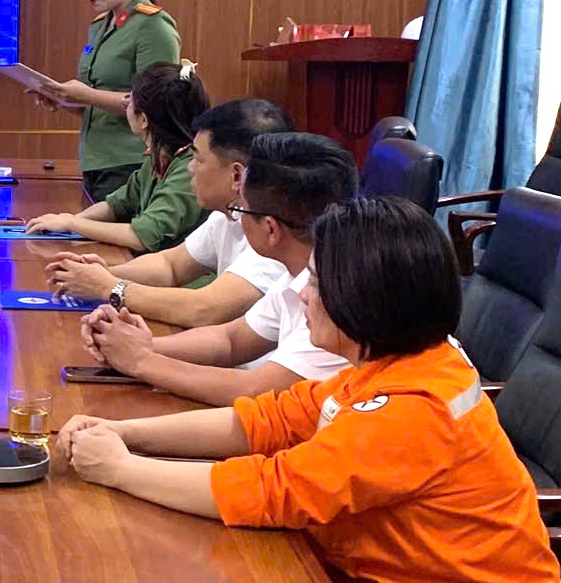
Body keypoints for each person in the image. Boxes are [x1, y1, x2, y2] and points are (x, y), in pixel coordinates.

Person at [53, 197, 561, 583]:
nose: (302, 294)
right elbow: (264, 421)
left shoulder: (413, 409)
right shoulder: (392, 369)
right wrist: (125, 433)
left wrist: (121, 470)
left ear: (363, 299)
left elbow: (273, 490)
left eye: (318, 283)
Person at [80, 132, 357, 404]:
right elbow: (230, 340)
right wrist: (138, 344)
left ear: (271, 229)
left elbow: (255, 391)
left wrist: (141, 360)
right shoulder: (301, 270)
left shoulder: (338, 299)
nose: (235, 215)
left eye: (240, 208)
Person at [45, 97, 294, 325]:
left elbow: (204, 308)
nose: (190, 168)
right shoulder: (229, 214)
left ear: (237, 175)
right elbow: (171, 265)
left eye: (198, 159)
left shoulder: (275, 235)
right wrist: (101, 274)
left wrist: (109, 287)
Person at [33, 0, 181, 203]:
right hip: (94, 161)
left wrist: (86, 95)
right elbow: (99, 106)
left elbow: (156, 104)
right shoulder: (101, 25)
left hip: (131, 162)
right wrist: (63, 98)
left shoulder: (153, 26)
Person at [23, 61, 210, 252]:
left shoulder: (188, 168)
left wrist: (73, 224)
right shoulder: (158, 156)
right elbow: (117, 205)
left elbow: (142, 236)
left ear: (143, 120)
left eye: (130, 99)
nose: (125, 103)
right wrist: (67, 221)